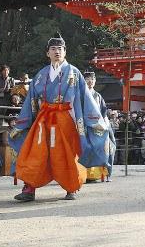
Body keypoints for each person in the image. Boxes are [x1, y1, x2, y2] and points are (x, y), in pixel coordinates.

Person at [8, 33, 109, 201]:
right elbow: (31, 102)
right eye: (53, 49)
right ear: (47, 53)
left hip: (66, 120)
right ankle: (29, 188)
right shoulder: (40, 75)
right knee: (34, 152)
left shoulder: (74, 74)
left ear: (65, 52)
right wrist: (24, 123)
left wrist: (95, 122)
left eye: (60, 49)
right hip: (43, 120)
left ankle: (71, 187)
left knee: (67, 155)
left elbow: (85, 100)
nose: (57, 52)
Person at [84, 71, 116, 182]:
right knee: (87, 149)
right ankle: (86, 174)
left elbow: (103, 111)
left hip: (99, 125)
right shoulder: (81, 95)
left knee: (109, 145)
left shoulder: (98, 96)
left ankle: (104, 173)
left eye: (92, 79)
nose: (90, 81)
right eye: (88, 79)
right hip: (85, 125)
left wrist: (106, 124)